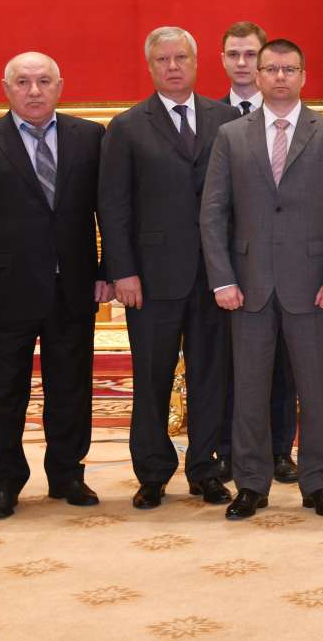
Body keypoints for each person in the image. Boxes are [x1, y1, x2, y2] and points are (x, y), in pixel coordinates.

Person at [0, 52, 110, 520]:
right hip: (3, 292)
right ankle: (4, 480)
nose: (34, 91)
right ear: (6, 88)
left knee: (71, 386)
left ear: (60, 86)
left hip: (73, 287)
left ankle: (67, 474)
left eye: (43, 81)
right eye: (23, 82)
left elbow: (110, 209)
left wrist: (107, 270)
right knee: (1, 391)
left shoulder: (89, 137)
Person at [199, 38, 323, 520]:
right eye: (270, 69)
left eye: (289, 69)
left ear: (304, 76)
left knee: (314, 390)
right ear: (258, 75)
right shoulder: (232, 135)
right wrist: (222, 279)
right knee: (249, 389)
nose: (279, 77)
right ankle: (251, 484)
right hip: (246, 285)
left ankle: (319, 483)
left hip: (312, 286)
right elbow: (213, 213)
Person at [99, 27, 240, 509]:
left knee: (211, 376)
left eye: (181, 57)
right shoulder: (127, 126)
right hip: (151, 278)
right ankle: (153, 472)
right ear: (150, 66)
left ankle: (206, 469)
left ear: (197, 63)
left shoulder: (227, 120)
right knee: (152, 378)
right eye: (163, 60)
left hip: (215, 276)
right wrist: (122, 271)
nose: (173, 66)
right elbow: (113, 206)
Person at [217, 20, 300, 484]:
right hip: (230, 269)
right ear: (223, 60)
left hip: (284, 268)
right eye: (235, 55)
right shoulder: (212, 118)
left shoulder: (301, 121)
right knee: (232, 367)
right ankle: (231, 450)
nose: (243, 63)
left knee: (283, 367)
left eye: (251, 55)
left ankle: (280, 450)